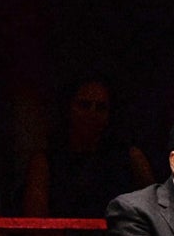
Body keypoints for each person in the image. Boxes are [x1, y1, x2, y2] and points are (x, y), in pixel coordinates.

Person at [21, 76, 156, 219]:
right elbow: (36, 225)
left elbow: (154, 216)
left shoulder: (131, 158)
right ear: (69, 109)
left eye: (100, 108)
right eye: (84, 105)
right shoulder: (45, 162)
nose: (92, 114)